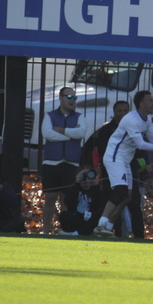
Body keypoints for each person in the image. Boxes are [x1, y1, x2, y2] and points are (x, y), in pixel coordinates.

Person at [93, 91, 153, 237]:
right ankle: (100, 225)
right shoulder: (131, 119)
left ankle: (108, 226)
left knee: (128, 197)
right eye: (150, 100)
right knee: (120, 191)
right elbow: (141, 144)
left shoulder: (147, 120)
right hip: (114, 157)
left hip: (125, 160)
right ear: (142, 104)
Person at [41, 86, 87, 234]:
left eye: (74, 98)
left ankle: (65, 230)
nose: (72, 101)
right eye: (69, 97)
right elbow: (47, 134)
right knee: (50, 197)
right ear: (60, 98)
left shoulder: (79, 116)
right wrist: (70, 136)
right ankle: (46, 231)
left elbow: (81, 132)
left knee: (66, 199)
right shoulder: (50, 116)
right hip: (51, 162)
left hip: (70, 163)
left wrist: (61, 130)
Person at [59, 166, 106, 236]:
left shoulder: (96, 190)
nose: (86, 180)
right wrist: (77, 184)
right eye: (83, 176)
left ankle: (79, 233)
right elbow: (69, 203)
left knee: (100, 212)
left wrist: (96, 186)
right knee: (64, 214)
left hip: (90, 220)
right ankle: (83, 232)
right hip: (76, 218)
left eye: (88, 175)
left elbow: (102, 205)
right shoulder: (73, 189)